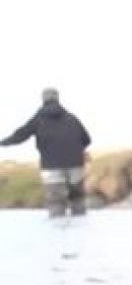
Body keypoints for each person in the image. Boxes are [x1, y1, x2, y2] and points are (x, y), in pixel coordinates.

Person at [2, 88, 93, 217]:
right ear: (57, 98)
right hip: (75, 164)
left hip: (51, 166)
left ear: (43, 99)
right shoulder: (71, 118)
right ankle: (80, 232)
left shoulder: (38, 118)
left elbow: (20, 136)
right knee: (77, 199)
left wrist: (3, 142)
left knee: (56, 201)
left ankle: (56, 233)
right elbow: (87, 139)